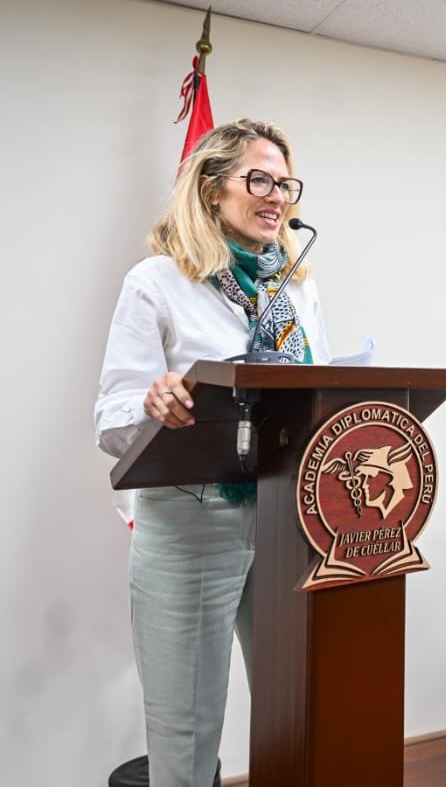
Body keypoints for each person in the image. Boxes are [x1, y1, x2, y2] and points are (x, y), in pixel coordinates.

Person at [95, 119, 331, 787]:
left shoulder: (297, 289)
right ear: (210, 187)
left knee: (297, 707)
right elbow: (110, 417)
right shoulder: (158, 282)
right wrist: (152, 402)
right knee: (187, 725)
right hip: (192, 523)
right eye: (259, 178)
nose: (277, 195)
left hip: (290, 520)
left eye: (286, 182)